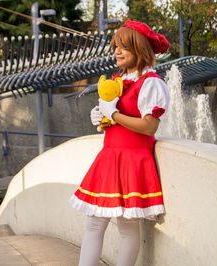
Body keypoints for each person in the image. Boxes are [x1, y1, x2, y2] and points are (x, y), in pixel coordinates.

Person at [69, 20, 170, 266]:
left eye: (124, 46)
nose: (117, 51)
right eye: (116, 45)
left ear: (141, 49)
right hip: (110, 157)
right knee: (94, 222)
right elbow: (120, 119)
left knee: (127, 226)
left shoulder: (151, 82)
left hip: (133, 160)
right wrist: (104, 118)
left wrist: (113, 114)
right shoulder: (118, 80)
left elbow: (149, 126)